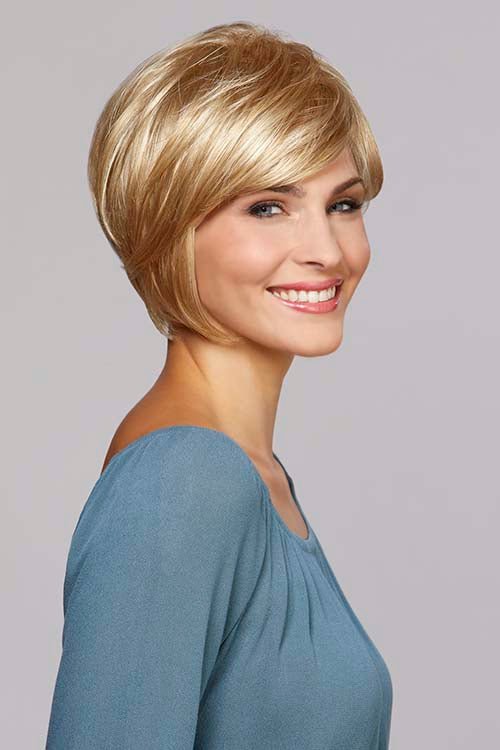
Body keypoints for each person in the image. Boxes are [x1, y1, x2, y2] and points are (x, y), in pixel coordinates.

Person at [45, 20, 393, 749]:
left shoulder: (250, 475)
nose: (327, 251)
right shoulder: (183, 478)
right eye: (267, 207)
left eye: (344, 203)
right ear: (168, 227)